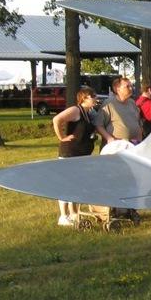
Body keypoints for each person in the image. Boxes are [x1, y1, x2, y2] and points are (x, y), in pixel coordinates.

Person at [52, 87, 98, 226]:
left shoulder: (89, 113)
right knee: (66, 183)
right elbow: (57, 119)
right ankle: (63, 216)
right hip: (70, 153)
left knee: (76, 184)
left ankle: (74, 213)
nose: (96, 98)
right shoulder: (76, 110)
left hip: (82, 154)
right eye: (93, 96)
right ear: (84, 98)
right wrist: (62, 137)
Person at [94, 76, 143, 145]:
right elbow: (98, 125)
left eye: (131, 86)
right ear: (117, 89)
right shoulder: (109, 104)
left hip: (134, 146)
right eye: (127, 86)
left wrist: (139, 139)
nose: (131, 88)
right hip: (116, 147)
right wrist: (109, 138)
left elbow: (138, 123)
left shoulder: (132, 103)